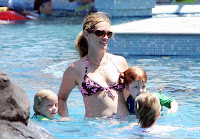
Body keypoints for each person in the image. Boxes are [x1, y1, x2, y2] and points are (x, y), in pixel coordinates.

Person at [58, 12, 129, 119]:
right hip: (95, 129)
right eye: (100, 33)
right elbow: (61, 98)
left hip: (124, 126)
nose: (105, 37)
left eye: (108, 34)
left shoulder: (120, 62)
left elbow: (131, 94)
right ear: (86, 34)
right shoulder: (75, 69)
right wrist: (65, 118)